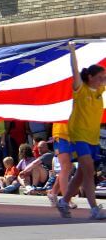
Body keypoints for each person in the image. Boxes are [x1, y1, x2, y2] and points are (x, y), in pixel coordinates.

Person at [57, 42, 106, 220]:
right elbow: (75, 70)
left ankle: (64, 201)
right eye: (100, 77)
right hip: (79, 136)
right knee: (89, 169)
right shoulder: (80, 88)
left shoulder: (100, 90)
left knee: (81, 174)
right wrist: (72, 50)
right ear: (90, 77)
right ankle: (94, 208)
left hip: (93, 138)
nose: (103, 79)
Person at [47, 122, 77, 209]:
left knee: (68, 167)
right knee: (66, 167)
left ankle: (53, 193)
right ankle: (66, 199)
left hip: (73, 136)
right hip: (60, 135)